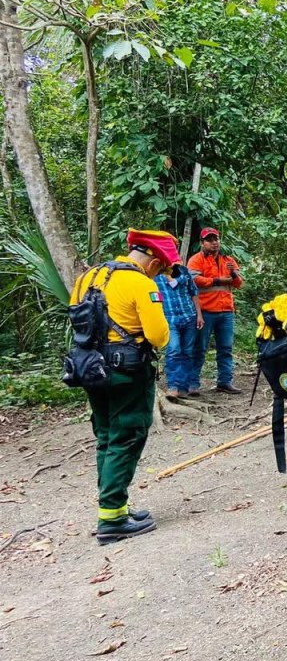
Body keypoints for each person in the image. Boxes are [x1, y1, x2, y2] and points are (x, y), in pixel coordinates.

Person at [70, 229, 174, 544]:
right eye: (161, 268)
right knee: (126, 436)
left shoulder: (88, 278)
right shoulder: (141, 283)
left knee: (105, 434)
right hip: (126, 371)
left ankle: (115, 509)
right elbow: (158, 336)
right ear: (155, 260)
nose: (159, 274)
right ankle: (112, 517)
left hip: (89, 368)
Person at [188, 228, 243, 394]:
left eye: (216, 239)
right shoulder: (196, 260)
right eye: (209, 240)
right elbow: (193, 280)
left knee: (226, 348)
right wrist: (216, 280)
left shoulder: (228, 260)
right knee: (199, 348)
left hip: (226, 311)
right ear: (202, 243)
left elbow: (239, 284)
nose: (214, 242)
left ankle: (224, 382)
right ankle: (193, 384)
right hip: (205, 311)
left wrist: (233, 274)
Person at [153, 257, 204, 397]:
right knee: (174, 350)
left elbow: (194, 293)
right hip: (169, 319)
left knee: (188, 351)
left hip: (189, 316)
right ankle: (173, 386)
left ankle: (183, 387)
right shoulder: (154, 275)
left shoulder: (183, 271)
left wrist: (199, 315)